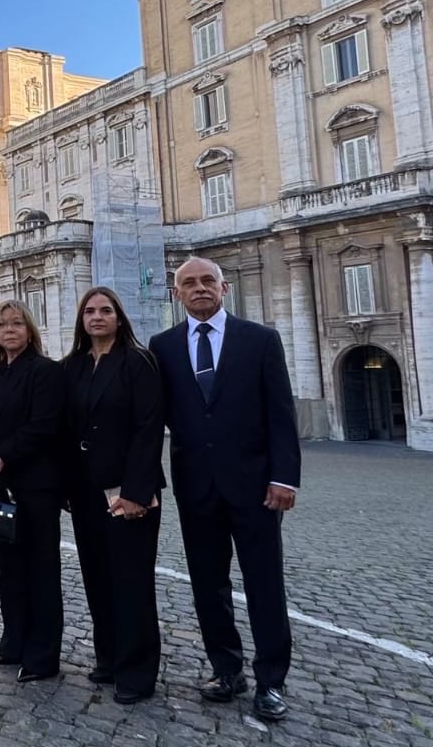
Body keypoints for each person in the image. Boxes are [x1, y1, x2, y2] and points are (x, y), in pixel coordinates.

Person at [149, 257, 300, 723]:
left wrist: (284, 477)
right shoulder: (163, 346)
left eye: (207, 281)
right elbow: (153, 419)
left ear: (224, 287)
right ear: (176, 294)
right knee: (207, 586)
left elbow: (281, 413)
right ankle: (226, 669)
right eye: (188, 283)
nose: (199, 289)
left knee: (264, 585)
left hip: (255, 486)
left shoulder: (260, 340)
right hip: (197, 487)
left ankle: (271, 680)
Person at [60, 286, 165, 704]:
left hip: (129, 490)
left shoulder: (138, 362)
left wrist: (137, 492)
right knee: (97, 578)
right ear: (82, 320)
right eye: (90, 311)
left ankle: (137, 672)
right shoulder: (73, 366)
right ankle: (108, 658)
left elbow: (148, 428)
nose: (97, 317)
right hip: (86, 490)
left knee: (132, 582)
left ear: (119, 318)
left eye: (106, 311)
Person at [0, 300, 64, 681]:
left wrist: (2, 457)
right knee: (9, 569)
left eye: (16, 324)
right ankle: (14, 642)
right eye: (2, 325)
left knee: (41, 569)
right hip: (1, 486)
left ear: (29, 331)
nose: (9, 330)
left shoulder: (46, 372)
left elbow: (43, 425)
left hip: (37, 485)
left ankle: (43, 656)